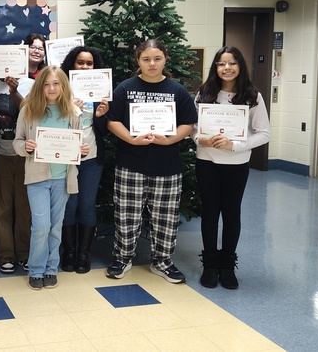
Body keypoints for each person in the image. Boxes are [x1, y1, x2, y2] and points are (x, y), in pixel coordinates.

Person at [104, 39, 198, 284]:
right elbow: (113, 121)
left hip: (167, 166)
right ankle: (122, 258)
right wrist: (132, 140)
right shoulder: (125, 88)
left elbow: (188, 123)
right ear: (138, 61)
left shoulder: (177, 90)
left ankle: (162, 261)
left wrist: (169, 140)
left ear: (165, 59)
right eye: (146, 59)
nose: (152, 63)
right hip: (130, 163)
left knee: (165, 217)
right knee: (126, 215)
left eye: (157, 58)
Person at [193, 46, 270, 289]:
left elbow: (264, 134)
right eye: (221, 63)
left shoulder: (252, 96)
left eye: (232, 62)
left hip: (236, 164)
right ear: (215, 67)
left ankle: (227, 266)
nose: (227, 68)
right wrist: (199, 139)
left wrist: (235, 145)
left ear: (240, 66)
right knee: (209, 212)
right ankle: (210, 265)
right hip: (206, 161)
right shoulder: (203, 93)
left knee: (231, 213)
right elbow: (193, 129)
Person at [13, 66, 88, 290]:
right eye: (46, 84)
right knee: (41, 225)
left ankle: (51, 268)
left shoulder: (74, 113)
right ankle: (36, 269)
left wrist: (81, 151)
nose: (51, 88)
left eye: (56, 84)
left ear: (63, 86)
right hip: (37, 177)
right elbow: (17, 142)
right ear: (40, 87)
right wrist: (25, 147)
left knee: (56, 226)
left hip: (62, 178)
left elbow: (79, 146)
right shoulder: (28, 111)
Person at [58, 46, 109, 273]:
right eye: (80, 62)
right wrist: (70, 109)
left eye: (89, 63)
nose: (85, 67)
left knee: (87, 205)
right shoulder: (59, 89)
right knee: (70, 205)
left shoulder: (100, 91)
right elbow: (53, 123)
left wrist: (101, 116)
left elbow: (105, 130)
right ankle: (68, 252)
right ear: (72, 64)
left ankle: (84, 254)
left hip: (92, 157)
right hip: (67, 157)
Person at [0, 73, 34, 274]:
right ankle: (6, 255)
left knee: (24, 206)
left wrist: (15, 91)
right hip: (0, 154)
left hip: (25, 154)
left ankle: (24, 253)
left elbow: (34, 112)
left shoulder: (32, 84)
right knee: (2, 207)